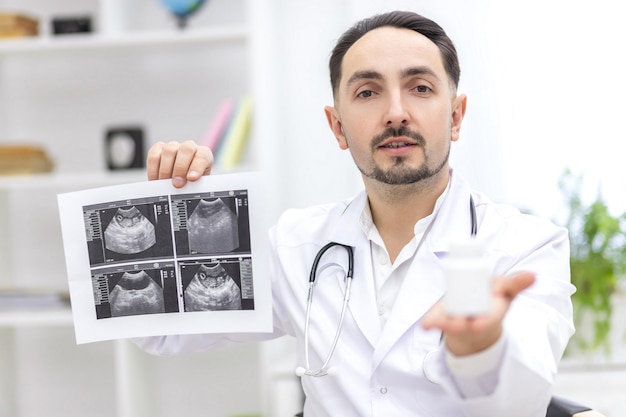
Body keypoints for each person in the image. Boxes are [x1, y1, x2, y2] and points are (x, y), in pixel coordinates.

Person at [135, 10, 575, 417]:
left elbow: (525, 399)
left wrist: (480, 347)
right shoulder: (297, 246)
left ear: (456, 118)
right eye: (367, 92)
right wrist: (170, 213)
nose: (396, 113)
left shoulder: (525, 247)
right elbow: (163, 333)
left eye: (420, 88)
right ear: (337, 126)